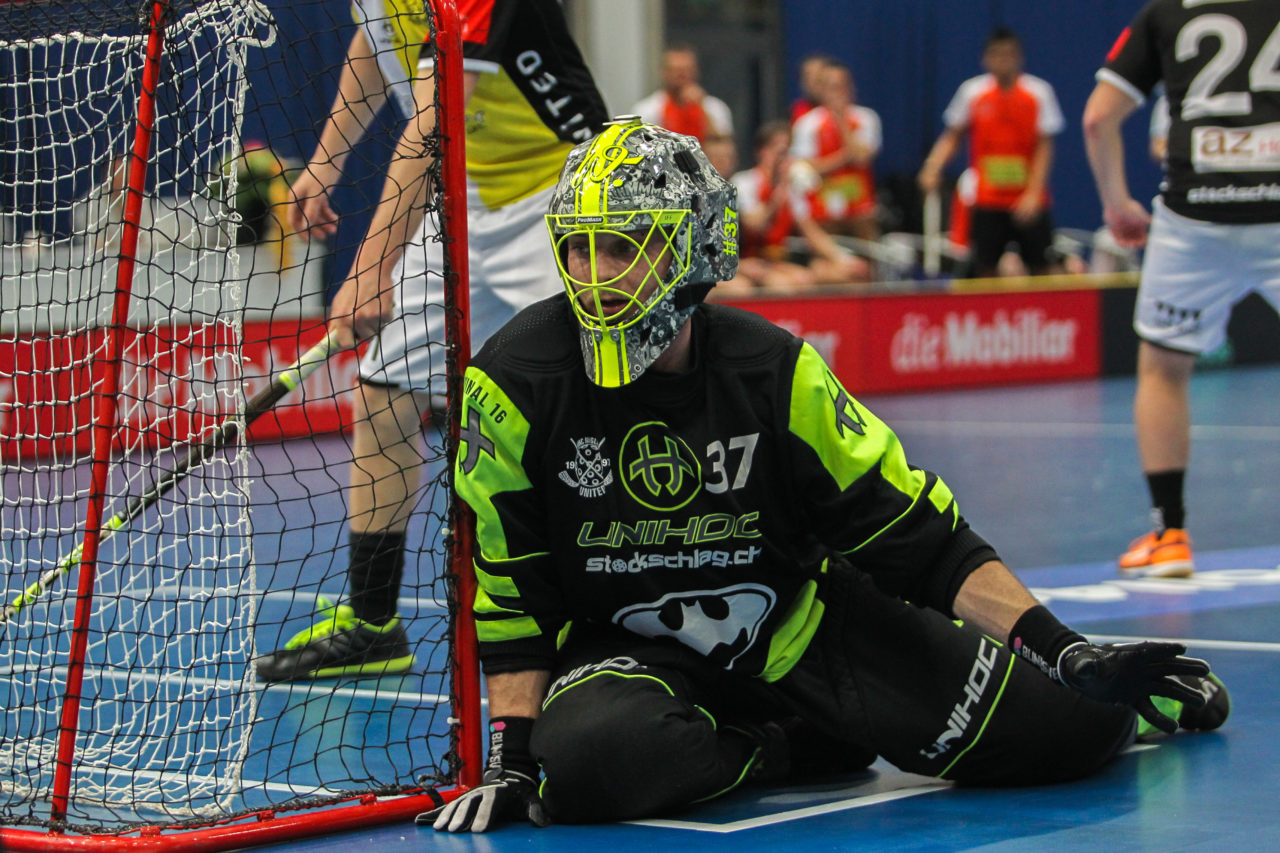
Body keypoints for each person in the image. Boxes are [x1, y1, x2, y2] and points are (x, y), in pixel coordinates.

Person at [421, 118, 1230, 833]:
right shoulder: (513, 380)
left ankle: (1136, 697)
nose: (596, 274)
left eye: (625, 246)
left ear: (693, 246)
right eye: (579, 246)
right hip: (625, 654)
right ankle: (784, 744)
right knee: (594, 763)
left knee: (1064, 733)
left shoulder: (774, 370)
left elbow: (924, 540)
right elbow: (513, 582)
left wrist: (1067, 652)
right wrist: (514, 757)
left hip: (805, 625)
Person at [255, 0, 608, 681]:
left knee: (593, 401)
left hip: (560, 189)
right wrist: (327, 163)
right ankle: (372, 625)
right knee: (384, 394)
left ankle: (608, 611)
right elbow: (374, 40)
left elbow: (432, 120)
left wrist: (370, 268)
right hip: (466, 192)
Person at [1082, 0, 1280, 578]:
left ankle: (1169, 534)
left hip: (1195, 217)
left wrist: (1117, 206)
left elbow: (1098, 118)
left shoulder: (1166, 12)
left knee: (1164, 368)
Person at [918, 27, 1065, 277]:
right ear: (985, 59)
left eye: (1009, 54)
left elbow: (1045, 147)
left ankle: (1044, 314)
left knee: (1041, 267)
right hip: (987, 199)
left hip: (1027, 200)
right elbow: (952, 135)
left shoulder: (1038, 93)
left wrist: (1033, 193)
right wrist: (933, 167)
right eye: (996, 54)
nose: (1003, 60)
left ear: (1020, 57)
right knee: (984, 267)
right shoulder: (972, 92)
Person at [727, 119, 869, 293]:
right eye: (779, 151)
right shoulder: (744, 182)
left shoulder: (791, 187)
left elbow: (811, 232)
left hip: (775, 262)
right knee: (782, 285)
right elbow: (754, 225)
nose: (784, 159)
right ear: (762, 152)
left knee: (816, 277)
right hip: (745, 259)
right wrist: (777, 196)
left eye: (787, 152)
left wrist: (844, 259)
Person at [790, 60, 882, 241]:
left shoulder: (866, 118)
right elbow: (805, 168)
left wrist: (841, 120)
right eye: (832, 87)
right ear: (822, 90)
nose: (838, 93)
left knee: (866, 222)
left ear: (851, 88)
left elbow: (862, 158)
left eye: (842, 86)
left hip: (859, 205)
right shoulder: (807, 124)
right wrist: (846, 156)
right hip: (823, 205)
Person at [631, 43, 733, 144]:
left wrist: (703, 109)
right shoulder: (647, 110)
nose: (682, 76)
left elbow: (723, 147)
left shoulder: (714, 107)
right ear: (663, 72)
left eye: (687, 70)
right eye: (676, 70)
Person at [789, 53, 834, 123]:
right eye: (809, 77)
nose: (815, 83)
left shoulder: (850, 115)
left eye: (819, 76)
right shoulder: (796, 114)